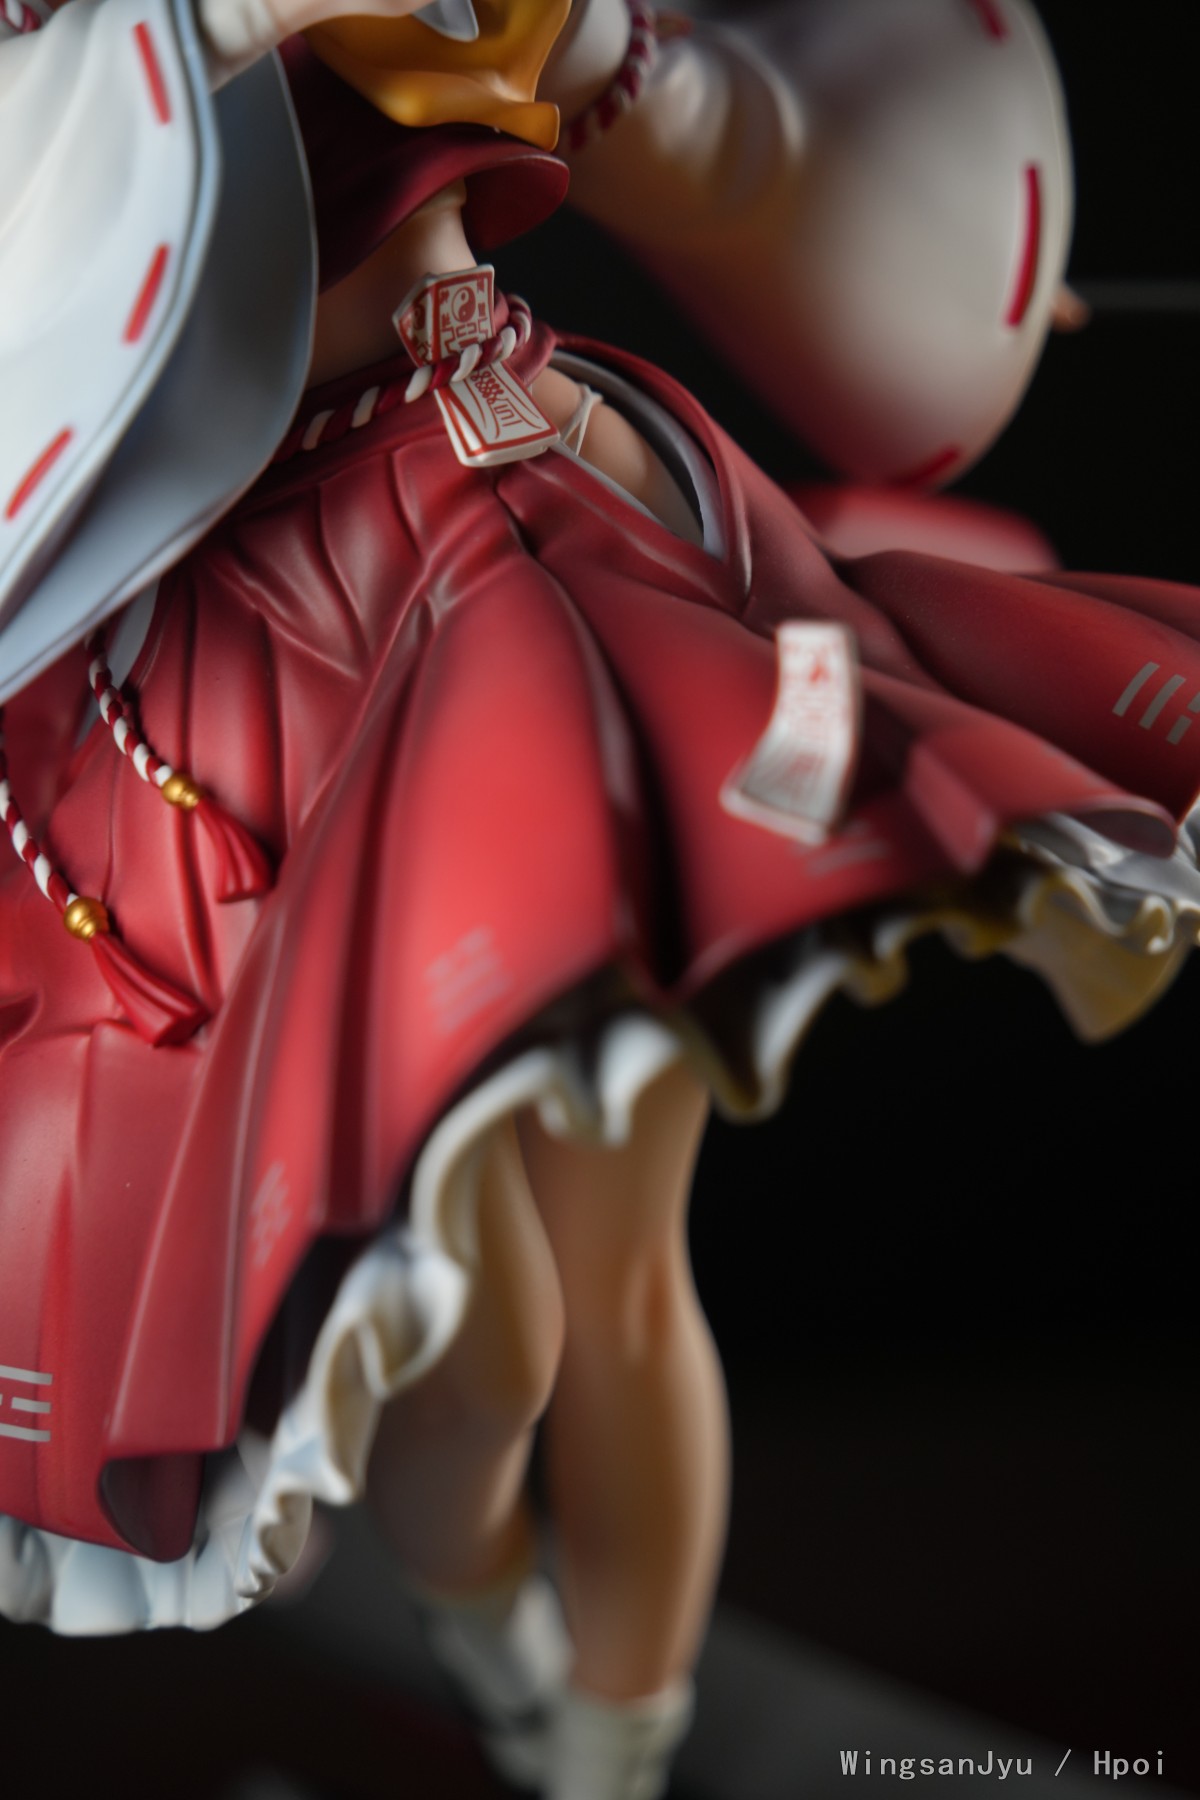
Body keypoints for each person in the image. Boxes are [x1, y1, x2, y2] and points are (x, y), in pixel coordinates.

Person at [2, 5, 1199, 1798]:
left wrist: (929, 263)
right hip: (286, 604)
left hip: (535, 508)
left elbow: (720, 143)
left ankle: (610, 1740)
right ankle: (498, 1645)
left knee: (621, 1258)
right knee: (478, 1333)